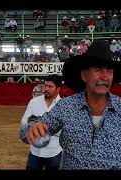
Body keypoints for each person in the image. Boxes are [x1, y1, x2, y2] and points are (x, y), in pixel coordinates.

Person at [20, 41, 121, 169]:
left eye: (109, 71)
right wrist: (33, 128)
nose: (105, 76)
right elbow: (28, 132)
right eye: (98, 70)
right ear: (84, 75)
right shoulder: (66, 106)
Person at [20, 75, 62, 170]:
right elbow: (23, 122)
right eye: (45, 85)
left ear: (58, 89)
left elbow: (64, 130)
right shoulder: (34, 102)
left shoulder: (63, 105)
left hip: (54, 152)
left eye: (50, 86)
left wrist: (40, 126)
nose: (46, 89)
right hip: (35, 152)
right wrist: (42, 126)